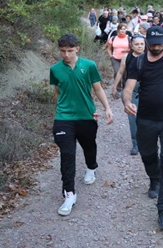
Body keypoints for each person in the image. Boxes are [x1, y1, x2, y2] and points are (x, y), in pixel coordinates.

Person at [122, 26, 163, 231]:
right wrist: (127, 102)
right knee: (148, 156)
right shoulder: (139, 61)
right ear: (148, 43)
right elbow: (128, 88)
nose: (158, 45)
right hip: (146, 119)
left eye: (161, 42)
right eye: (154, 43)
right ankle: (154, 178)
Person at [49, 34, 114, 216]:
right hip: (64, 118)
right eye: (63, 51)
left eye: (70, 50)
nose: (66, 55)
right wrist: (59, 112)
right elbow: (57, 91)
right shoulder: (55, 69)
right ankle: (69, 194)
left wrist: (107, 108)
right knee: (67, 154)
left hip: (86, 115)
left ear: (77, 48)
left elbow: (98, 88)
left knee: (88, 146)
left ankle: (91, 167)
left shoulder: (89, 65)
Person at [111, 34, 146, 155]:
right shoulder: (127, 57)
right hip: (131, 90)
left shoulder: (150, 56)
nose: (140, 46)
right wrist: (115, 86)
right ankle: (135, 143)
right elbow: (120, 72)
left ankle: (149, 141)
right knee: (133, 116)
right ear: (131, 45)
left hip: (148, 89)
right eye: (137, 44)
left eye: (142, 44)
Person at [106, 23, 131, 94]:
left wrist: (127, 50)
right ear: (118, 30)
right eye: (121, 29)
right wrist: (110, 55)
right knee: (117, 72)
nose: (122, 31)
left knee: (125, 73)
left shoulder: (129, 38)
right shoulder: (113, 38)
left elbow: (132, 49)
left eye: (124, 29)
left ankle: (125, 88)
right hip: (115, 58)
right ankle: (118, 88)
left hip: (126, 58)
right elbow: (109, 48)